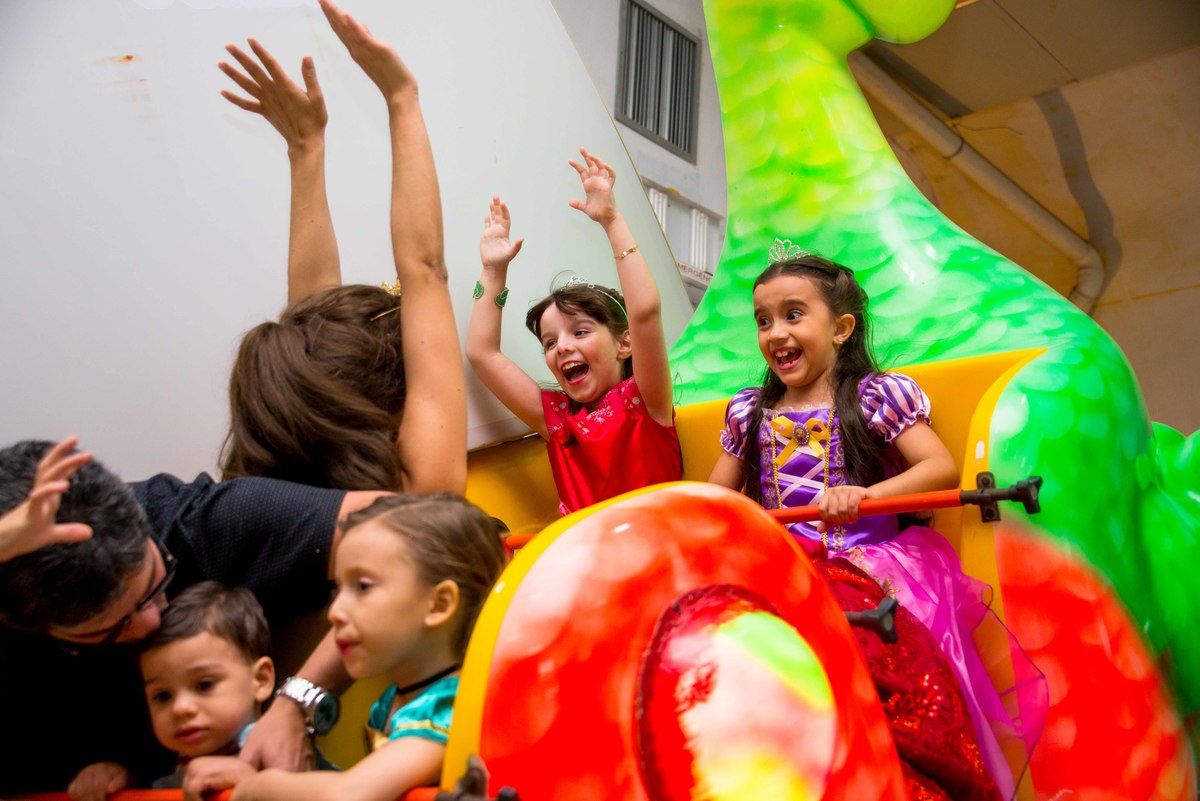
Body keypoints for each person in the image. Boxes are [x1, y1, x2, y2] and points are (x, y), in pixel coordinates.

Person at [708, 249, 1043, 797]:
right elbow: (716, 497)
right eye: (763, 321)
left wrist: (866, 495)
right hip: (787, 569)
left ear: (841, 329)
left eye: (794, 315)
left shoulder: (874, 397)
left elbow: (938, 466)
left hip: (868, 566)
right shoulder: (749, 412)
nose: (775, 333)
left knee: (883, 678)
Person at [0, 438, 389, 796]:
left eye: (154, 585)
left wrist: (297, 701)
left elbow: (406, 526)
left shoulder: (196, 522)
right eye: (112, 628)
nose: (151, 623)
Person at [217, 0, 465, 495]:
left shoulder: (260, 492)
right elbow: (424, 269)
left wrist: (305, 149)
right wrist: (401, 96)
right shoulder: (415, 492)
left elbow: (309, 327)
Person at [183, 493, 508, 801]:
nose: (335, 612)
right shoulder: (397, 701)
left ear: (438, 604)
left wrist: (256, 788)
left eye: (362, 587)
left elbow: (349, 794)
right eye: (337, 590)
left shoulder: (447, 708)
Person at [466, 150, 681, 515]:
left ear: (625, 342)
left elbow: (644, 312)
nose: (562, 347)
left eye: (579, 332)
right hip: (584, 551)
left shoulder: (647, 399)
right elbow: (482, 353)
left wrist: (611, 221)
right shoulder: (557, 419)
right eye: (550, 342)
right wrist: (493, 271)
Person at [68, 582, 279, 795]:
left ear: (260, 680)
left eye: (204, 685)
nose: (180, 708)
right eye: (163, 696)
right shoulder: (178, 765)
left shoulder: (281, 751)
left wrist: (254, 784)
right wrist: (123, 788)